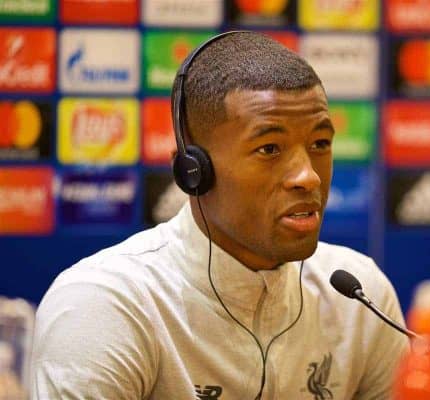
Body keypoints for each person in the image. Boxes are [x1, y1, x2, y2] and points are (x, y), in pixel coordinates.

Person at [30, 31, 409, 399]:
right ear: (193, 172)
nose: (308, 176)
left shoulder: (361, 298)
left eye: (320, 144)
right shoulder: (106, 306)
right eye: (270, 148)